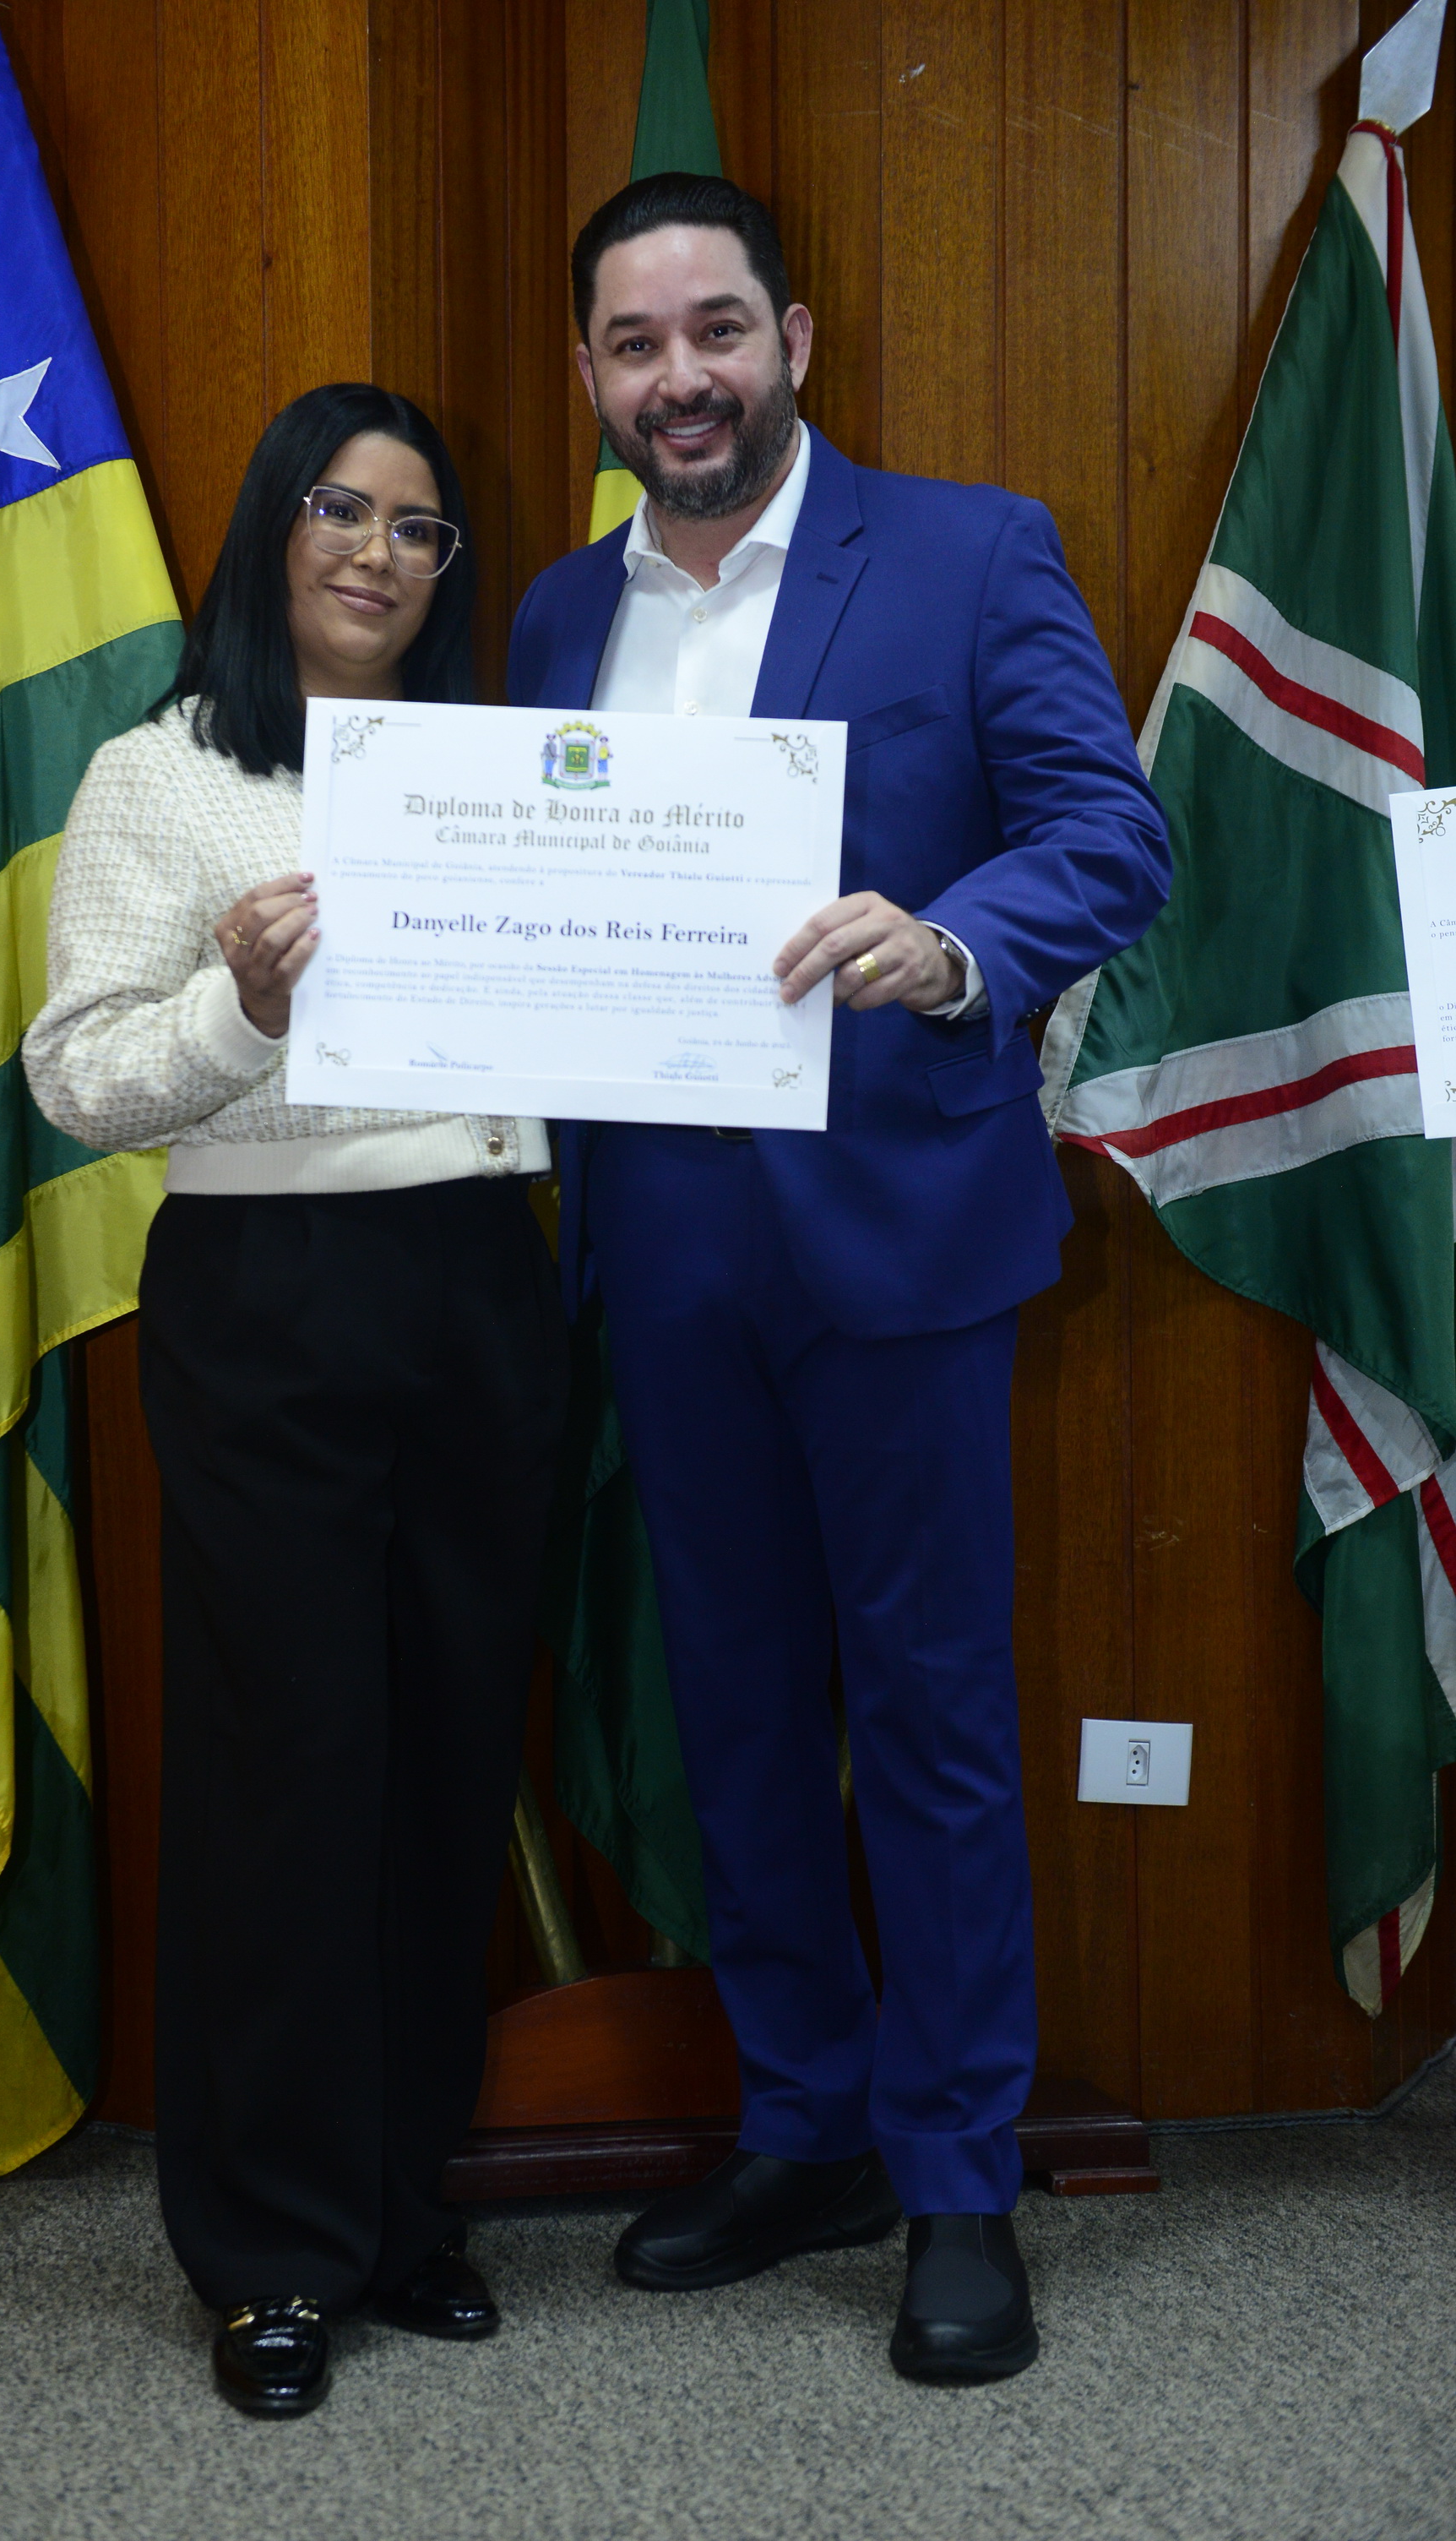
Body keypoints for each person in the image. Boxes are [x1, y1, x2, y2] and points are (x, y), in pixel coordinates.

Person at [508, 176, 1171, 2384]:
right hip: (658, 1238)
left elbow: (1114, 833)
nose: (678, 377)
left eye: (715, 329)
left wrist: (953, 941)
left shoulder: (970, 552)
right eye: (634, 345)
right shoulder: (551, 615)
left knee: (932, 1716)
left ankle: (957, 2171)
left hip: (895, 1232)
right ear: (590, 374)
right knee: (733, 1712)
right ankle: (803, 2125)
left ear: (790, 336)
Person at [24, 384, 568, 2419]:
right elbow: (79, 1074)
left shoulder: (501, 772)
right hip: (269, 1295)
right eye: (340, 509)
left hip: (480, 1277)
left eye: (417, 527)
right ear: (271, 528)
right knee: (288, 1764)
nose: (376, 551)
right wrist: (240, 1002)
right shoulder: (159, 771)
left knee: (442, 1748)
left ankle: (396, 2209)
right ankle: (266, 2249)